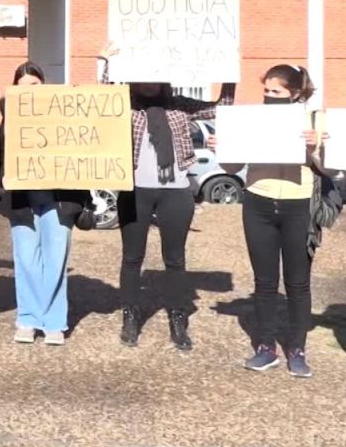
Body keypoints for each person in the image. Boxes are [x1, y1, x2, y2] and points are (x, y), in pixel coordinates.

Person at [98, 44, 234, 351]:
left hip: (176, 192)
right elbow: (101, 101)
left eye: (154, 77)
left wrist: (228, 70)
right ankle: (130, 315)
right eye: (143, 77)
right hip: (135, 189)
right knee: (132, 257)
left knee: (175, 259)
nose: (149, 83)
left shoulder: (180, 106)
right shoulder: (124, 105)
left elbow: (221, 106)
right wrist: (106, 62)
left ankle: (177, 318)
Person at [209, 65, 326, 377]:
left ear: (296, 93)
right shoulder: (253, 120)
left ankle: (297, 349)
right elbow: (233, 166)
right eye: (266, 91)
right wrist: (222, 149)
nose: (269, 96)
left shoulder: (313, 119)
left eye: (276, 92)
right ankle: (265, 347)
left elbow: (329, 168)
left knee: (298, 282)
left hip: (299, 204)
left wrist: (315, 146)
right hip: (258, 202)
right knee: (264, 281)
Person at [1, 62, 88, 346]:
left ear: (45, 86)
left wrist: (103, 64)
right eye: (23, 85)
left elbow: (96, 118)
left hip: (59, 199)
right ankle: (27, 319)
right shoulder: (8, 119)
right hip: (22, 201)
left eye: (34, 85)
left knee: (55, 260)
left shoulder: (63, 115)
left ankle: (53, 322)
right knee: (26, 261)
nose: (29, 90)